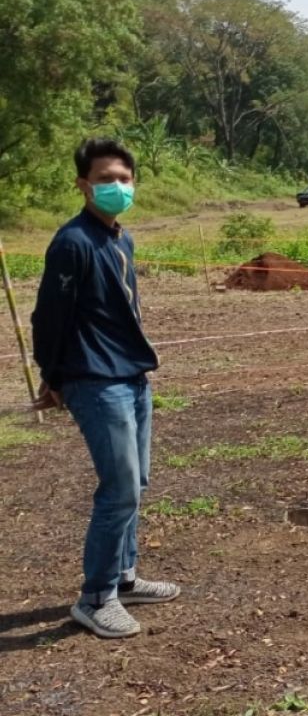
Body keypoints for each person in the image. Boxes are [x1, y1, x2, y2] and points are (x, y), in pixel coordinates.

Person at [31, 138, 179, 639]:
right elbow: (48, 316)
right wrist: (52, 377)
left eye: (124, 178)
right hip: (95, 382)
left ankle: (124, 576)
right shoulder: (72, 243)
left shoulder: (120, 238)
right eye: (105, 179)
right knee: (117, 490)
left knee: (135, 486)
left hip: (131, 376)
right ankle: (95, 597)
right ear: (82, 184)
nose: (116, 186)